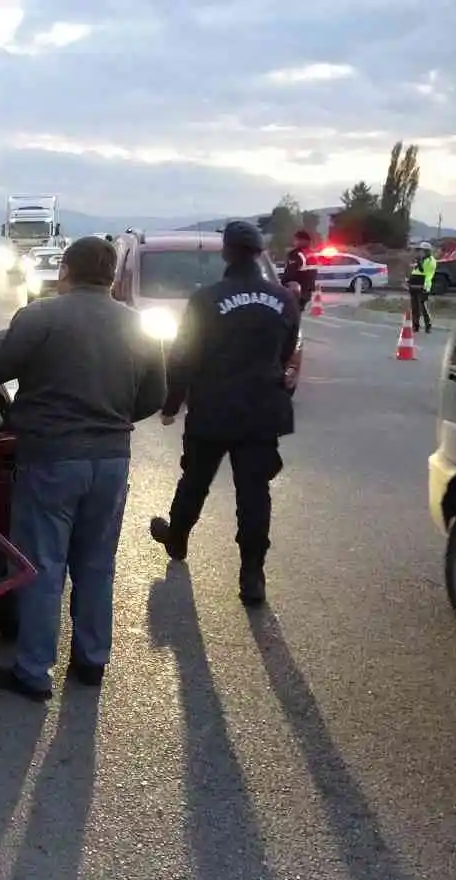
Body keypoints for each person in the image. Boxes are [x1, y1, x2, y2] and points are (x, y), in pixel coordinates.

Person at [0, 236, 166, 701]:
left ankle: (33, 672)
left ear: (65, 270)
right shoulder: (138, 326)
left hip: (50, 459)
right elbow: (154, 396)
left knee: (44, 566)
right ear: (111, 275)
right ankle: (91, 661)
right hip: (111, 462)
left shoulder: (42, 315)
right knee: (96, 564)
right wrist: (113, 420)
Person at [148, 220, 301, 607]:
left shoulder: (206, 299)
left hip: (213, 409)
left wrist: (170, 404)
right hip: (262, 409)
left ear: (227, 252)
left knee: (195, 479)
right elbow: (285, 352)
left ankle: (178, 537)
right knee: (254, 493)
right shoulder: (283, 299)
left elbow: (182, 357)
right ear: (258, 252)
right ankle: (253, 574)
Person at [407, 241, 437, 333]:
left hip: (424, 286)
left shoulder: (431, 261)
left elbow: (425, 271)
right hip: (414, 285)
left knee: (423, 307)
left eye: (422, 251)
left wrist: (419, 263)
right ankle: (415, 326)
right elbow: (416, 271)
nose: (420, 252)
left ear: (427, 251)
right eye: (420, 251)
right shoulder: (422, 259)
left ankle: (428, 325)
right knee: (414, 307)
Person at [282, 229, 317, 310]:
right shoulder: (311, 254)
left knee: (289, 315)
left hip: (295, 291)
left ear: (302, 240)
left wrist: (282, 284)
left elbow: (290, 273)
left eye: (296, 239)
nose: (294, 242)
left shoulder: (296, 254)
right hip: (307, 291)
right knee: (298, 313)